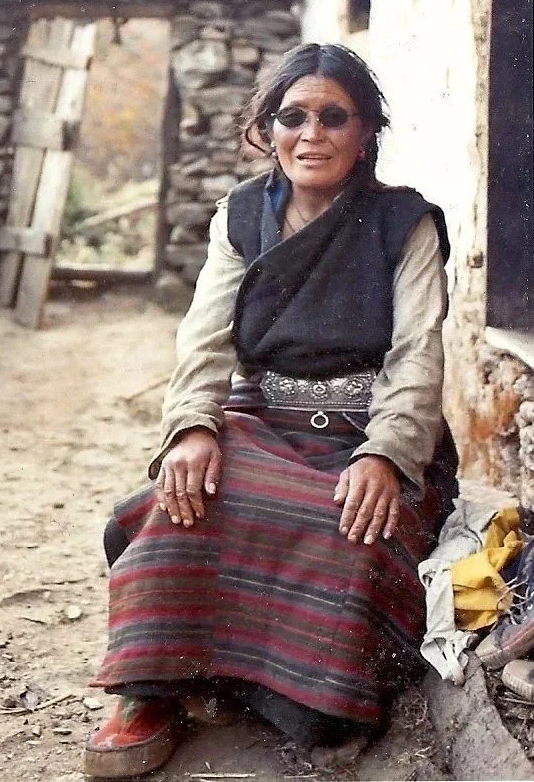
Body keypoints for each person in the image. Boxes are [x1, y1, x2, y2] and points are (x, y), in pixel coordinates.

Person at [84, 43, 458, 779]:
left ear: (365, 133)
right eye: (292, 116)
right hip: (261, 420)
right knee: (181, 504)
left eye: (332, 117)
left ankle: (294, 693)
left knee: (351, 531)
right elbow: (203, 337)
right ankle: (150, 686)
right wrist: (193, 424)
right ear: (267, 128)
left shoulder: (404, 223)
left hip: (370, 432)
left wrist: (384, 455)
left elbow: (417, 353)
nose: (310, 134)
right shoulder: (240, 217)